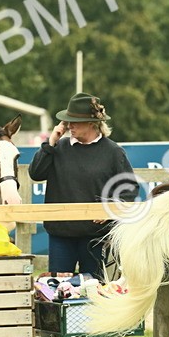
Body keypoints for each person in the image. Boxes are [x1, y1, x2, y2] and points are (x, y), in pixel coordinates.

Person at [29, 92, 138, 279]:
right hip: (60, 236)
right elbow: (36, 173)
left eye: (74, 121)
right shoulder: (58, 148)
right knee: (58, 292)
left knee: (94, 291)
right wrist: (51, 142)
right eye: (67, 121)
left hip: (95, 238)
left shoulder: (113, 152)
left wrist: (109, 208)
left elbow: (129, 190)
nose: (69, 125)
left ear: (92, 123)